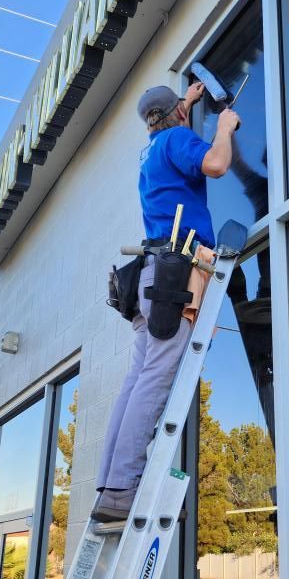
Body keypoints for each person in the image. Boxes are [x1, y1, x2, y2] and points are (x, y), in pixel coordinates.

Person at [92, 81, 240, 521]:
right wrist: (225, 127)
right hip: (174, 275)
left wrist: (187, 102)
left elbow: (166, 127)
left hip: (150, 277)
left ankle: (111, 486)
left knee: (138, 380)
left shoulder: (151, 149)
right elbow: (214, 164)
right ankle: (124, 490)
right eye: (182, 108)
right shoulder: (177, 138)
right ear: (175, 113)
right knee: (156, 379)